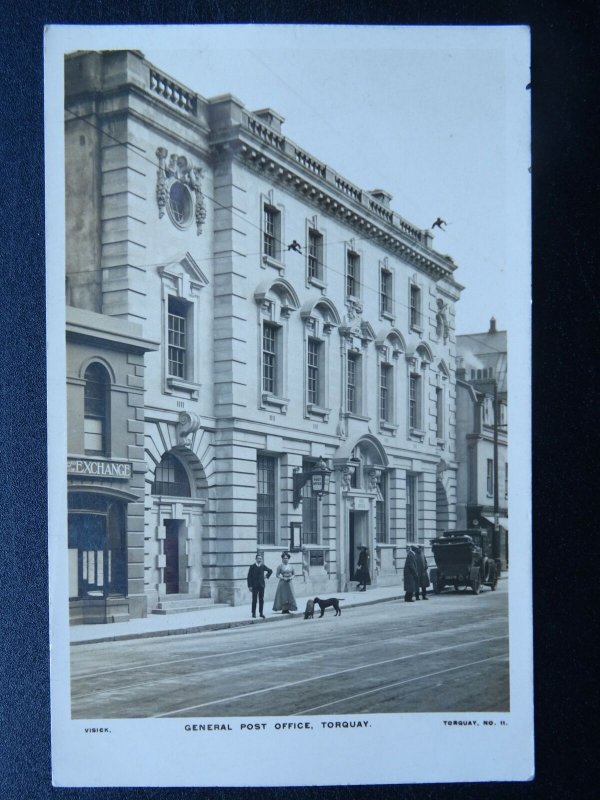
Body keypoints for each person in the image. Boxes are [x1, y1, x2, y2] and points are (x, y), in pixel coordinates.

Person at [247, 552, 273, 618]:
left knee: (261, 600)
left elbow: (270, 571)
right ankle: (253, 613)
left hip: (261, 585)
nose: (259, 559)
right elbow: (249, 577)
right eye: (258, 558)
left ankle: (261, 613)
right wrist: (249, 586)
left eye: (260, 558)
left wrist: (266, 576)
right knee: (254, 600)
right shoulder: (252, 566)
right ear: (255, 559)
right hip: (254, 586)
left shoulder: (262, 566)